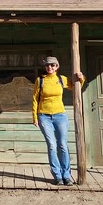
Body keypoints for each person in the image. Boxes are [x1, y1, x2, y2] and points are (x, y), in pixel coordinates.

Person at [32, 56, 85, 186]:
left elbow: (76, 87)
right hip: (44, 116)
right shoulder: (40, 80)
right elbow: (34, 99)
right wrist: (35, 117)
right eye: (47, 65)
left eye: (52, 65)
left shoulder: (61, 79)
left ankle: (66, 176)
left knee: (62, 145)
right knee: (52, 145)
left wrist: (81, 78)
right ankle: (57, 176)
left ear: (57, 66)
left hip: (60, 116)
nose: (50, 67)